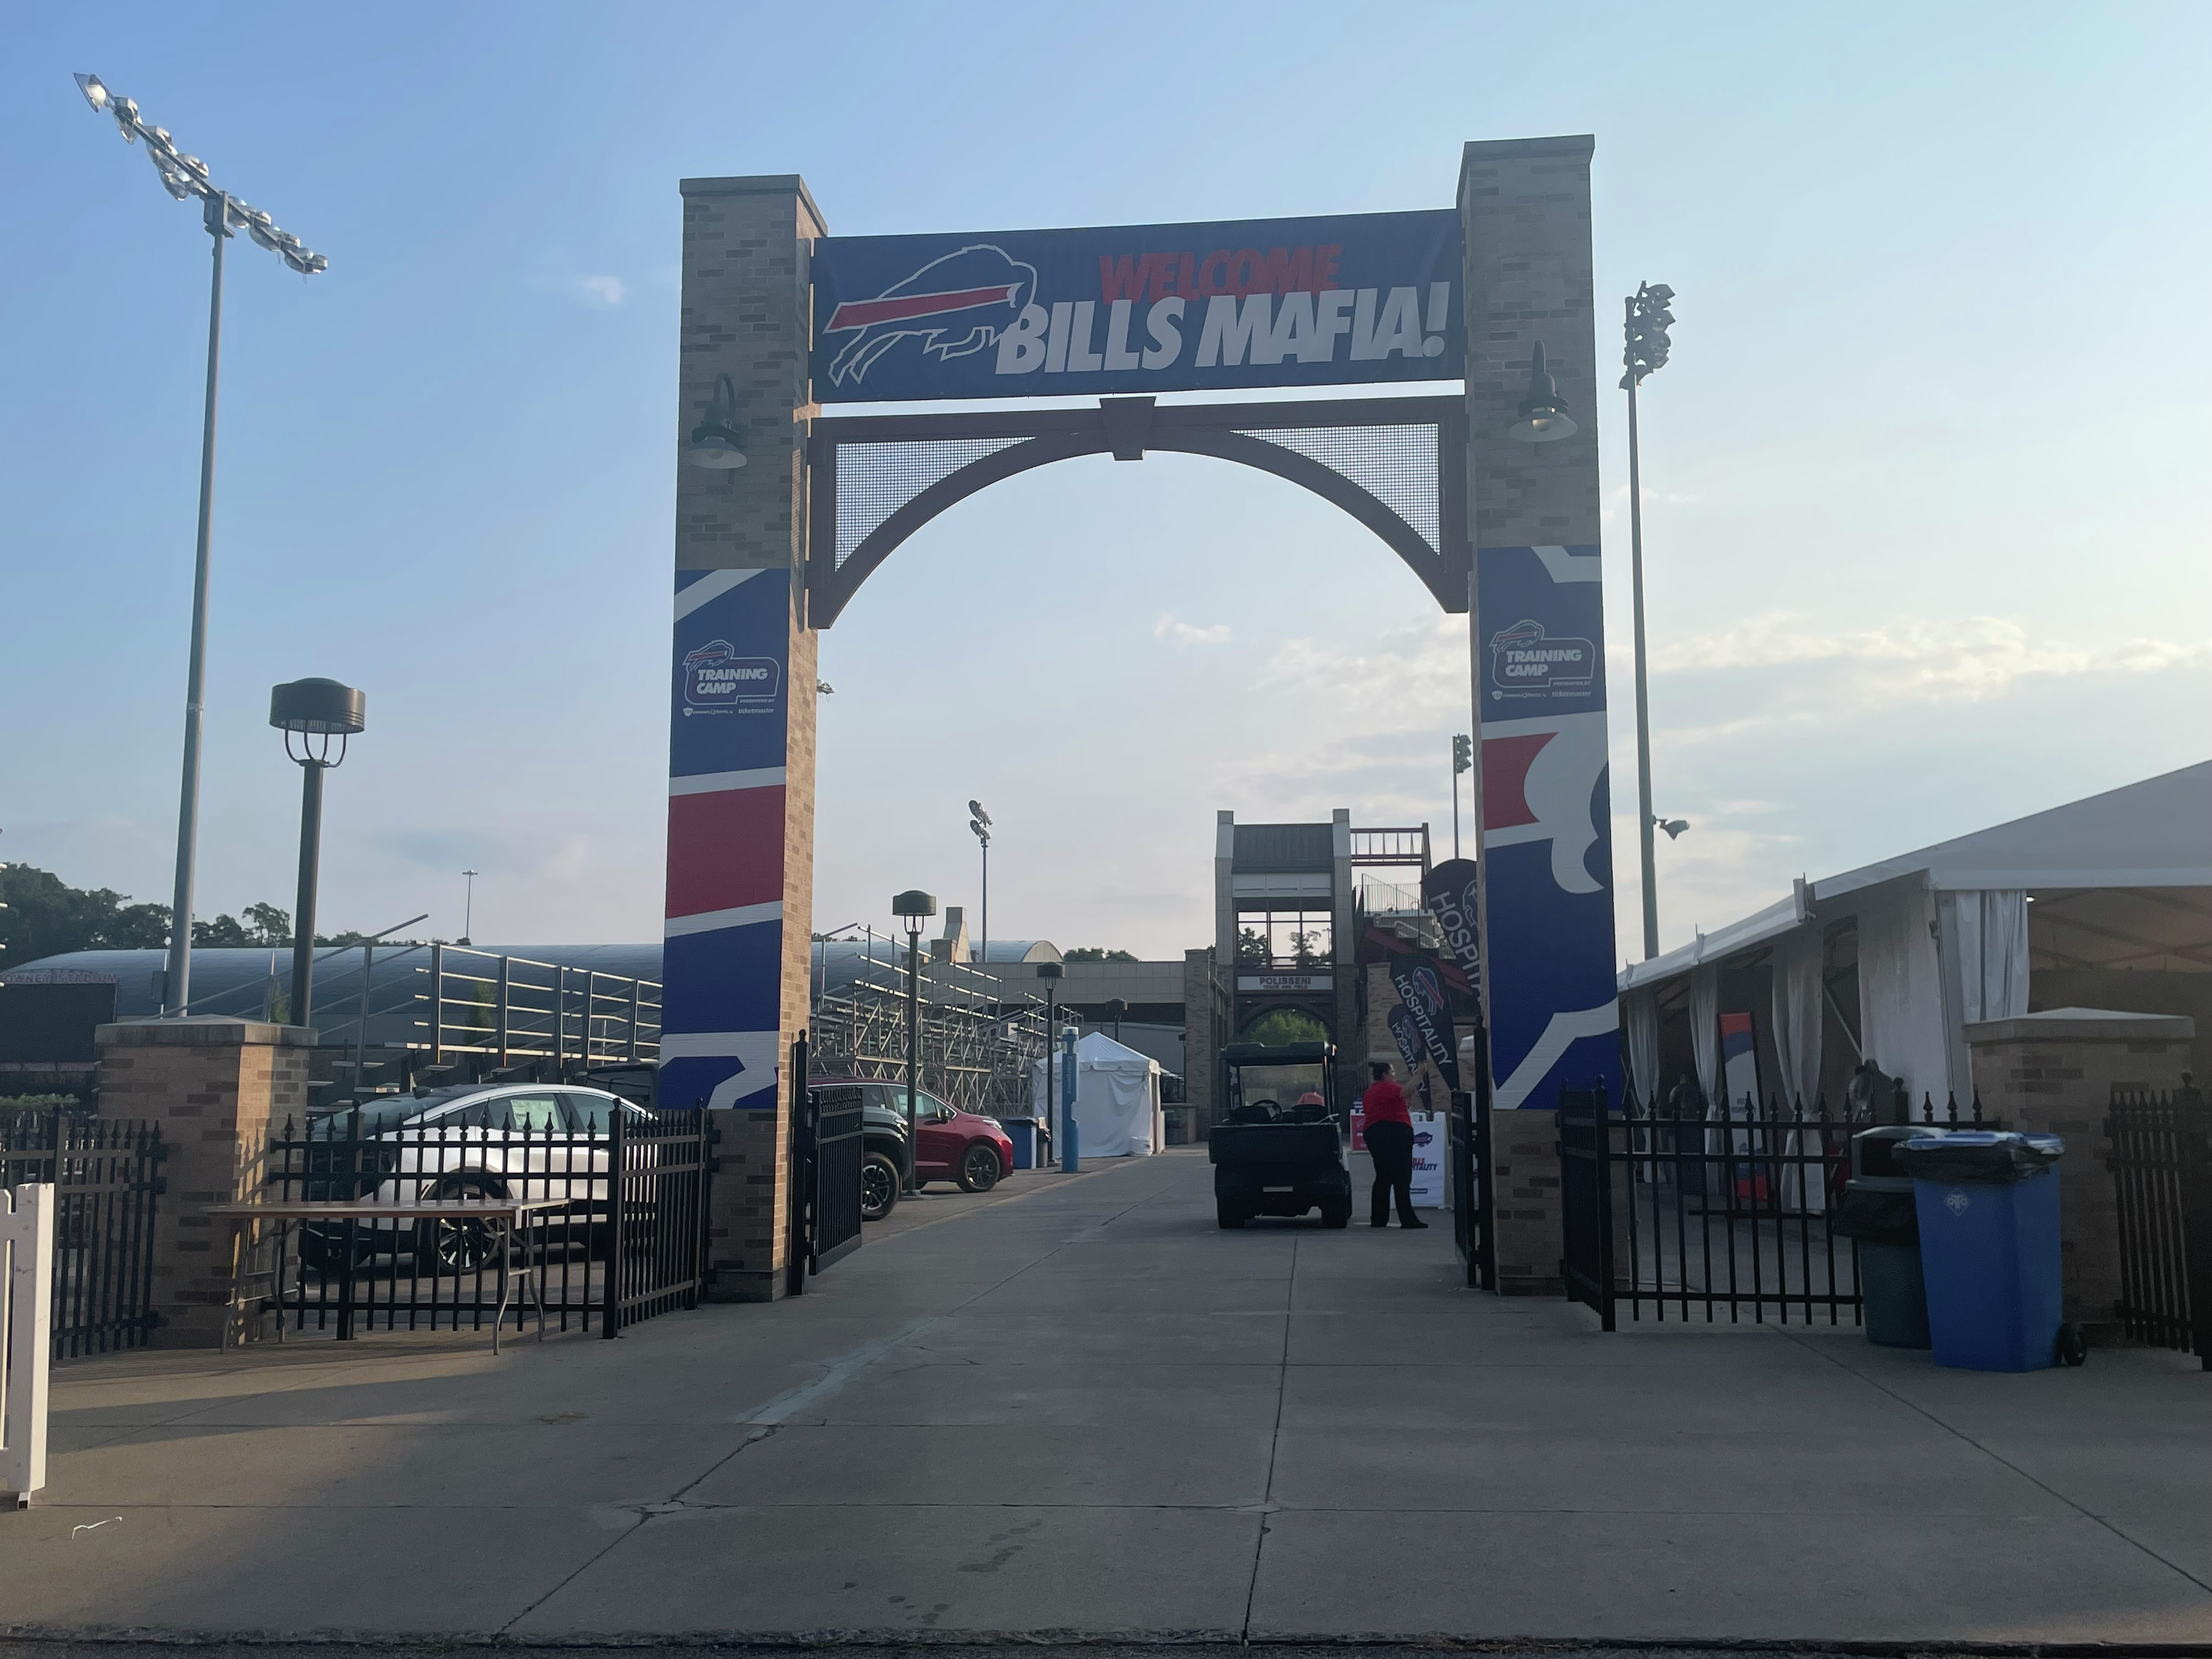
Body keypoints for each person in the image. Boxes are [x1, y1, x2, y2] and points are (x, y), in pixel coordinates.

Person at [1360, 1060, 1425, 1229]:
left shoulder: (1369, 1093)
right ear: (1385, 1075)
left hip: (1374, 1134)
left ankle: (1379, 1219)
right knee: (1402, 1177)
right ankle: (1408, 1219)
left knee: (1383, 1176)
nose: (1395, 1077)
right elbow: (1406, 1091)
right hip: (1396, 1133)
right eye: (1393, 1073)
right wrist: (1419, 1075)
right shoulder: (1389, 1087)